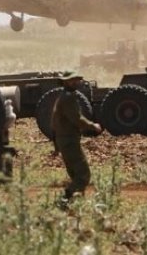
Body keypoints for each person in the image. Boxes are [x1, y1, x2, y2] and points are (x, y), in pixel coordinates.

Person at [51, 71, 102, 205]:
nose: (76, 82)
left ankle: (77, 202)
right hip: (69, 140)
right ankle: (66, 197)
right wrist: (93, 126)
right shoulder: (68, 98)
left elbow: (54, 122)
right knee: (83, 174)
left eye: (76, 80)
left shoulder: (63, 97)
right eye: (72, 80)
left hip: (64, 139)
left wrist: (56, 143)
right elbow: (77, 118)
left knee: (75, 173)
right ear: (65, 82)